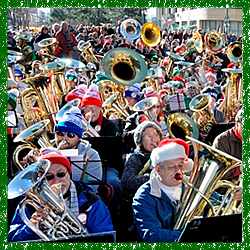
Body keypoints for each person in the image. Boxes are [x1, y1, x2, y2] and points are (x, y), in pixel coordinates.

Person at [8, 152, 114, 242]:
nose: (56, 180)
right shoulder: (30, 206)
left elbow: (105, 238)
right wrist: (31, 228)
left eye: (61, 174)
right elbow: (12, 240)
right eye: (49, 177)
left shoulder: (90, 201)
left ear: (69, 174)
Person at [132, 138, 194, 242]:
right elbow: (152, 234)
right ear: (158, 169)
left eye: (180, 165)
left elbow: (218, 200)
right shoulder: (143, 196)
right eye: (171, 167)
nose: (178, 171)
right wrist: (189, 236)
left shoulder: (193, 186)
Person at [120, 121, 163, 241]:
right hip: (143, 206)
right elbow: (127, 183)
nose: (153, 139)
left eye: (155, 135)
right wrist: (152, 177)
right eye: (148, 137)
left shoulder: (165, 155)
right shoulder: (135, 158)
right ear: (140, 141)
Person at [213, 108, 242, 183]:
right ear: (236, 124)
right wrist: (240, 169)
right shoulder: (221, 141)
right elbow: (216, 172)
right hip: (231, 190)